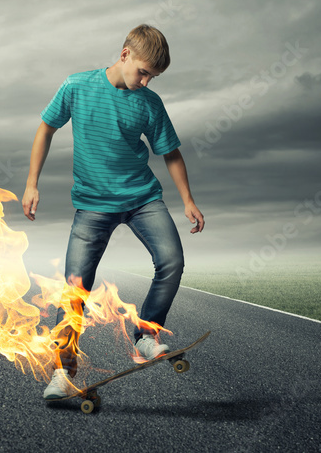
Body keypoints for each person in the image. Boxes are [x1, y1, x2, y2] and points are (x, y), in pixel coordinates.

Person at [21, 24, 205, 400]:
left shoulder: (149, 103)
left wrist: (187, 199)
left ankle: (145, 337)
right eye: (143, 72)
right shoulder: (76, 86)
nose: (146, 82)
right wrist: (31, 183)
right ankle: (62, 371)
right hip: (93, 205)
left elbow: (170, 152)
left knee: (171, 260)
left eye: (153, 77)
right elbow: (45, 128)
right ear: (124, 55)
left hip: (142, 198)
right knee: (75, 289)